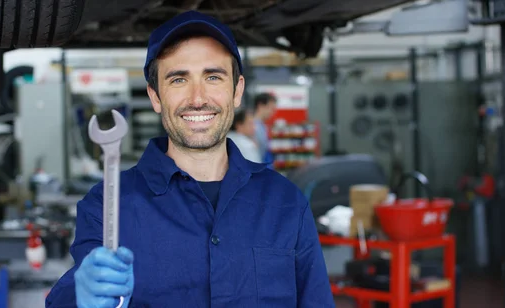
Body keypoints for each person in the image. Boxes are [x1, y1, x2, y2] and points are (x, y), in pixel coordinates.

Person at [45, 10, 334, 308]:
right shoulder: (109, 204)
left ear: (237, 91)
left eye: (213, 77)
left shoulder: (285, 201)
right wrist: (78, 298)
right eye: (179, 79)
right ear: (156, 97)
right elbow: (69, 295)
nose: (198, 98)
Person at [252, 93, 278, 165]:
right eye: (271, 108)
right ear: (260, 106)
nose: (273, 112)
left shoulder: (263, 126)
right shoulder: (252, 127)